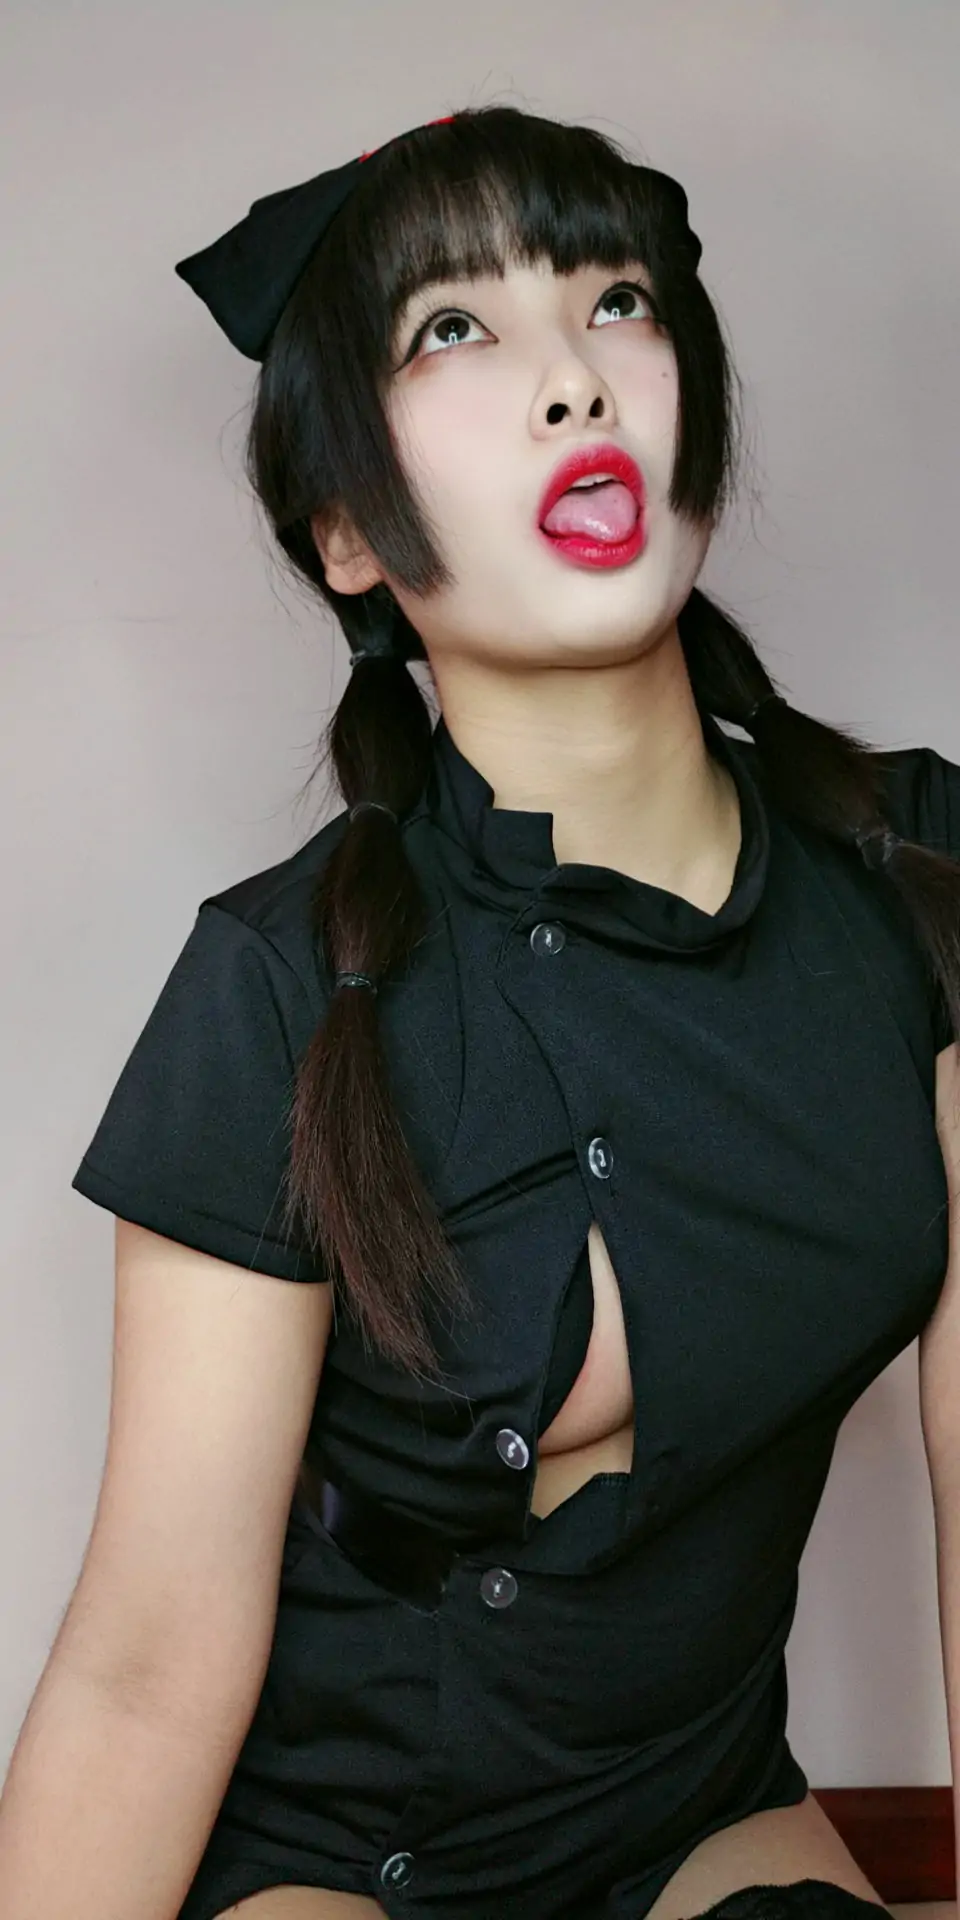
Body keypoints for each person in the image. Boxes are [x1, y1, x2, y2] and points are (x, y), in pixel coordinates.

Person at [2, 104, 958, 1920]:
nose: (571, 378)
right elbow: (141, 1668)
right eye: (455, 327)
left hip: (693, 1814)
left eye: (616, 301)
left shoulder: (921, 876)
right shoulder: (283, 981)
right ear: (347, 532)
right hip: (341, 1858)